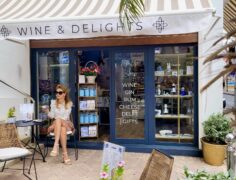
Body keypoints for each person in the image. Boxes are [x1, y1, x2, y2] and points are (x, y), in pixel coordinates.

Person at [45, 84, 74, 165]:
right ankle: (65, 155)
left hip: (66, 123)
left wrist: (53, 125)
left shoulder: (68, 103)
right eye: (56, 92)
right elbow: (52, 116)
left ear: (64, 94)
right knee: (62, 128)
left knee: (59, 120)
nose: (57, 94)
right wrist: (47, 111)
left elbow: (65, 117)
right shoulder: (53, 103)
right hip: (59, 126)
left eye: (60, 92)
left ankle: (56, 145)